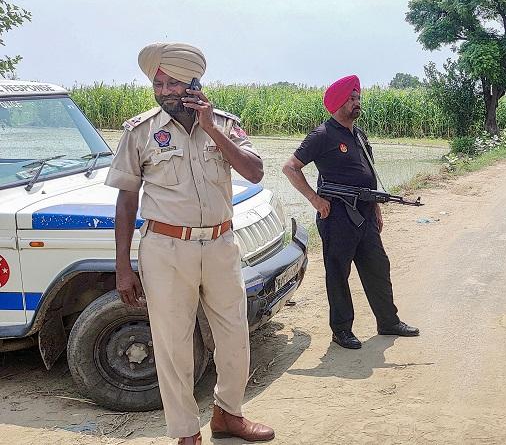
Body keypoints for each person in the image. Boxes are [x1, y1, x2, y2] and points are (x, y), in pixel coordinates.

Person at [106, 42, 274, 444]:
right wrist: (123, 267)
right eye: (158, 83)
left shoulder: (225, 124)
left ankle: (228, 414)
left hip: (219, 244)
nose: (163, 90)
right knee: (173, 344)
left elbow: (254, 172)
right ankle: (186, 433)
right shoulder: (140, 132)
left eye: (173, 83)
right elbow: (127, 197)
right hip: (165, 250)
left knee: (234, 334)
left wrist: (212, 127)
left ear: (195, 83)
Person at [282, 75, 419, 350]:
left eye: (358, 98)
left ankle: (388, 321)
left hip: (365, 215)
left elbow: (367, 176)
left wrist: (377, 207)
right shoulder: (322, 135)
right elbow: (290, 168)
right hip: (337, 217)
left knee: (378, 267)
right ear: (338, 103)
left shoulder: (358, 134)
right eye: (352, 99)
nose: (357, 103)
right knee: (338, 273)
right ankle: (342, 330)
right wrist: (315, 199)